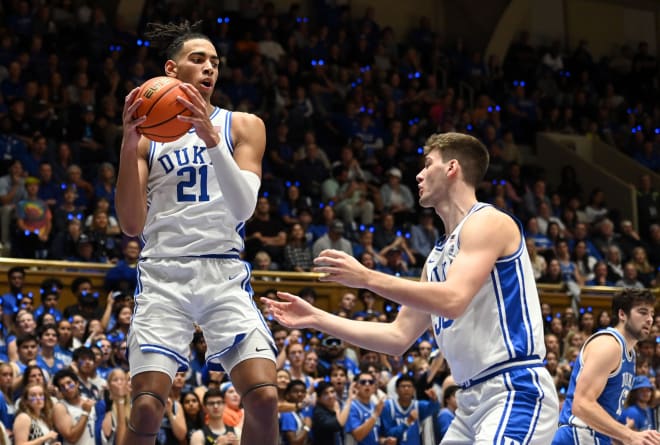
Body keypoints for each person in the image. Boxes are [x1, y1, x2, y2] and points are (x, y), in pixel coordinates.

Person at [263, 132, 559, 443]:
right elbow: (397, 337)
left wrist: (367, 277)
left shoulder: (488, 222)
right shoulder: (435, 259)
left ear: (452, 168)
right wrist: (316, 318)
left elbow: (454, 299)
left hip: (514, 389)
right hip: (471, 399)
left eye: (428, 164)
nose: (418, 174)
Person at [115, 20, 278, 445]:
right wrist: (127, 143)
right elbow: (131, 224)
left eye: (215, 63)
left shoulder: (243, 126)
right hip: (163, 273)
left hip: (222, 271)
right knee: (148, 407)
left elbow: (244, 208)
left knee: (263, 396)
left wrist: (211, 140)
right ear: (172, 70)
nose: (209, 68)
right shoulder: (148, 138)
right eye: (198, 59)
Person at [552, 288, 660, 444]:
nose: (650, 319)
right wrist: (629, 435)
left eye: (652, 314)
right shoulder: (608, 345)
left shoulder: (630, 355)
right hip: (577, 436)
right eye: (643, 312)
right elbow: (581, 404)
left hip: (598, 438)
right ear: (622, 314)